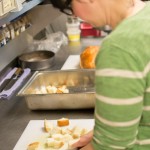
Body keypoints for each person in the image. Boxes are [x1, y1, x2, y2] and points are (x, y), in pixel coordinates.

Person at [50, 0, 150, 149]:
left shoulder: (119, 47)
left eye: (71, 8)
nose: (76, 15)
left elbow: (112, 146)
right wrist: (108, 131)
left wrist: (106, 139)